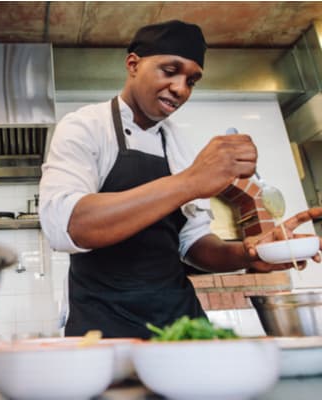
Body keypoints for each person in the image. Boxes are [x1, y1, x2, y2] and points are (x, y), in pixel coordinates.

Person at [39, 20, 322, 339]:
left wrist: (251, 253)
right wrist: (190, 181)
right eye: (169, 70)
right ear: (133, 64)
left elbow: (193, 244)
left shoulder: (177, 146)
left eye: (191, 80)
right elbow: (69, 226)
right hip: (103, 326)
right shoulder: (85, 127)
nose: (181, 89)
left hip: (179, 321)